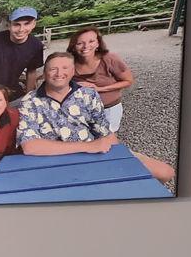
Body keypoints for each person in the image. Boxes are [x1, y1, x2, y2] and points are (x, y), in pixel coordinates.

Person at [17, 52, 175, 182]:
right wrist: (89, 147)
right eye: (53, 69)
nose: (59, 73)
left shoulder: (88, 94)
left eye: (65, 68)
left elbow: (104, 133)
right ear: (44, 73)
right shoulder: (30, 101)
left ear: (73, 72)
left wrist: (121, 155)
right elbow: (30, 146)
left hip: (94, 153)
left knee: (165, 172)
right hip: (54, 159)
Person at [65, 26, 133, 133]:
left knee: (105, 139)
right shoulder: (68, 62)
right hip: (80, 109)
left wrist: (99, 89)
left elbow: (128, 81)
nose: (86, 46)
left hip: (108, 108)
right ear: (73, 46)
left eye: (91, 41)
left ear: (98, 44)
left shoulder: (110, 59)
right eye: (80, 43)